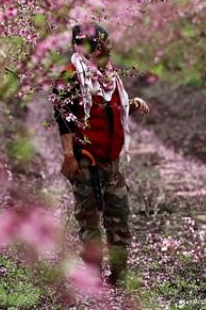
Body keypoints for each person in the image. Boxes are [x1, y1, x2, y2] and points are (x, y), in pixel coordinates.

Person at [52, 23, 150, 286]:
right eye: (103, 46)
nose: (108, 51)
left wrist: (131, 104)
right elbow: (63, 118)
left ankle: (119, 275)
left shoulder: (109, 76)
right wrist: (68, 155)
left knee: (119, 217)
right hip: (86, 160)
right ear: (91, 48)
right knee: (90, 221)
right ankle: (93, 278)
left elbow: (109, 109)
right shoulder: (69, 77)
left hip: (111, 161)